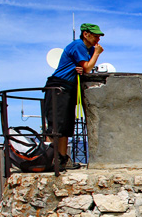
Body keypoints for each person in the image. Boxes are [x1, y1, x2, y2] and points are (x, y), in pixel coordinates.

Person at [43, 23, 104, 170]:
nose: (98, 39)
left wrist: (83, 69)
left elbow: (85, 69)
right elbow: (88, 68)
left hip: (68, 88)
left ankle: (62, 160)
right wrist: (96, 54)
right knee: (56, 124)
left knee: (65, 126)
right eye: (95, 35)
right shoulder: (79, 46)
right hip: (59, 86)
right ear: (86, 34)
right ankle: (51, 159)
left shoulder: (87, 49)